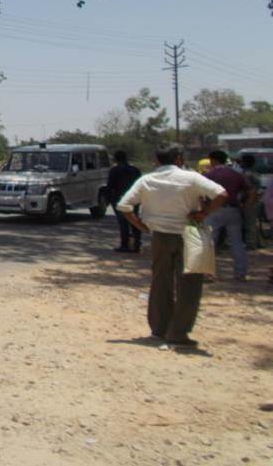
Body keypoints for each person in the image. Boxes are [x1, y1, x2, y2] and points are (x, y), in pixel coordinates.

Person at [117, 144, 228, 348]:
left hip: (159, 235)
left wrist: (140, 226)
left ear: (157, 160)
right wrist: (204, 213)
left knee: (160, 281)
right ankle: (178, 332)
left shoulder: (147, 180)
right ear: (179, 158)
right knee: (189, 284)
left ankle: (159, 329)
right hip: (189, 234)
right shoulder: (191, 178)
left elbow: (124, 205)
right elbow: (221, 194)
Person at [204, 150, 250, 281]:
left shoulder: (209, 175)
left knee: (209, 242)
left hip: (213, 209)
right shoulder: (236, 174)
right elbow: (249, 190)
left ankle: (208, 273)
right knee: (237, 243)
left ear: (213, 160)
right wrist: (243, 204)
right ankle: (240, 273)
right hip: (233, 209)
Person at [107, 150, 143, 252]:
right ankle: (137, 244)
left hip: (120, 199)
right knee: (134, 221)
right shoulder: (135, 170)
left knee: (123, 223)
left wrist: (109, 199)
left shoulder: (114, 170)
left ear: (116, 159)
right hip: (134, 198)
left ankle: (125, 245)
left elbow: (110, 186)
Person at [239, 154, 262, 250]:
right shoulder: (255, 173)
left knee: (250, 223)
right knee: (253, 222)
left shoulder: (247, 174)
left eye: (241, 161)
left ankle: (251, 244)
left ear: (245, 162)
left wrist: (246, 202)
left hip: (250, 201)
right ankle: (257, 242)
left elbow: (249, 190)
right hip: (255, 200)